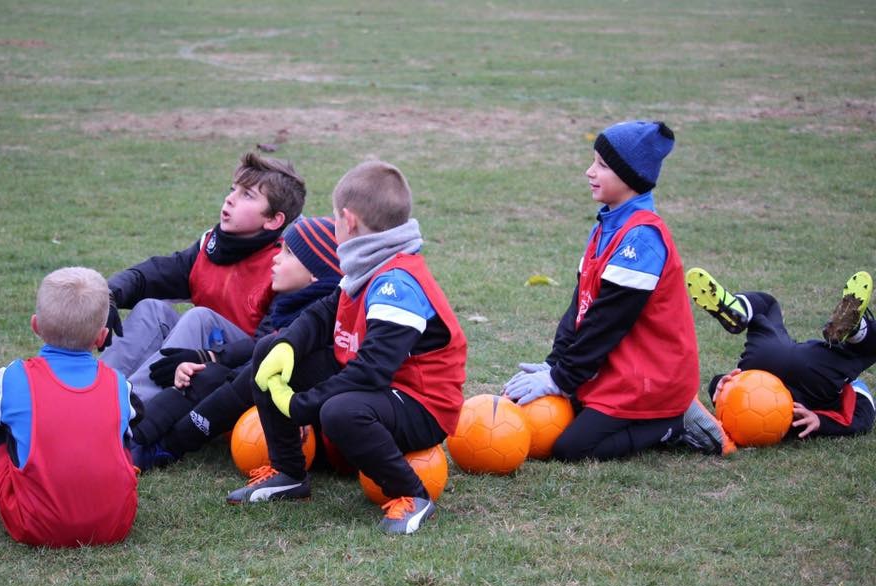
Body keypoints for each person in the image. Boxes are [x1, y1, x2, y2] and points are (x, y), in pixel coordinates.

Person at [225, 160, 467, 535]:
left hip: (421, 404)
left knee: (340, 411)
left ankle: (412, 495)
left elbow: (370, 372)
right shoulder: (370, 259)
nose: (334, 224)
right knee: (268, 351)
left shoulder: (397, 283)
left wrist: (302, 405)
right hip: (379, 384)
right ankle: (289, 473)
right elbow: (324, 313)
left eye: (335, 217)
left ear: (349, 220)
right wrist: (287, 344)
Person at [503, 120, 722, 460]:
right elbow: (580, 308)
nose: (589, 172)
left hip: (652, 380)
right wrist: (553, 365)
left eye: (602, 165)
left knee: (572, 448)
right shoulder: (605, 225)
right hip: (617, 367)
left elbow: (606, 323)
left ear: (630, 178)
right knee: (559, 412)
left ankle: (674, 422)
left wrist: (561, 379)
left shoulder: (642, 239)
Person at [130, 216, 343, 470]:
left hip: (306, 420)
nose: (276, 259)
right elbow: (257, 345)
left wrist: (213, 364)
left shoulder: (320, 319)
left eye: (288, 253)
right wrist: (207, 358)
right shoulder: (289, 302)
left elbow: (260, 366)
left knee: (212, 379)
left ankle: (155, 447)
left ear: (315, 274)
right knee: (202, 375)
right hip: (266, 396)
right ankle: (133, 435)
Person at [0, 267, 142, 547]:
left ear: (35, 326)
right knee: (121, 429)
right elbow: (138, 416)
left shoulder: (14, 378)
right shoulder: (118, 383)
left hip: (35, 526)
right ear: (102, 337)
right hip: (116, 524)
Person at [100, 152, 306, 404]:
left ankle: (130, 410)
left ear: (274, 220)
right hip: (198, 357)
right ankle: (95, 391)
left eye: (247, 195)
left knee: (201, 319)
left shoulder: (286, 266)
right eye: (233, 190)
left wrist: (209, 355)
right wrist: (108, 294)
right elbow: (153, 275)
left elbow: (269, 342)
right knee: (152, 310)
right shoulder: (211, 245)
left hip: (238, 372)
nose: (230, 199)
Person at [686, 267, 875, 440]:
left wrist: (721, 385)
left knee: (767, 305)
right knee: (860, 352)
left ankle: (740, 307)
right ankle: (857, 329)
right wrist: (821, 422)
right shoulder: (850, 383)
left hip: (766, 362)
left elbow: (723, 389)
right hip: (814, 379)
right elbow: (864, 417)